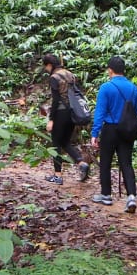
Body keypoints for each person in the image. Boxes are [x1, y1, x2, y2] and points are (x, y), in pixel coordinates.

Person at [90, 56, 137, 213]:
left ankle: (106, 194)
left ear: (110, 70)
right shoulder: (133, 87)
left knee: (106, 161)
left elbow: (100, 112)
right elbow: (136, 110)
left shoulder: (106, 87)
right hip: (127, 129)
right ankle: (131, 196)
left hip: (110, 128)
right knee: (126, 162)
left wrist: (95, 133)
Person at [42, 53, 90, 185]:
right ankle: (81, 162)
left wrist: (51, 119)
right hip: (73, 113)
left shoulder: (54, 77)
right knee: (65, 141)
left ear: (50, 65)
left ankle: (58, 175)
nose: (46, 69)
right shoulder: (70, 74)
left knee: (56, 143)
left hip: (61, 113)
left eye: (45, 67)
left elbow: (56, 100)